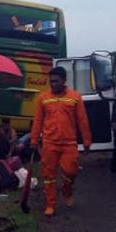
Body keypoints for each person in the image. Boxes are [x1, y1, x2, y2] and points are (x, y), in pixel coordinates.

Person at [31, 66, 92, 218]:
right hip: (49, 143)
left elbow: (82, 121)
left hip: (69, 143)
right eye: (51, 81)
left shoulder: (75, 97)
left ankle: (67, 190)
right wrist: (33, 139)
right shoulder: (43, 98)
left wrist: (86, 141)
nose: (53, 84)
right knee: (48, 175)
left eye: (56, 81)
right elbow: (38, 120)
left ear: (64, 81)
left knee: (71, 171)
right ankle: (51, 204)